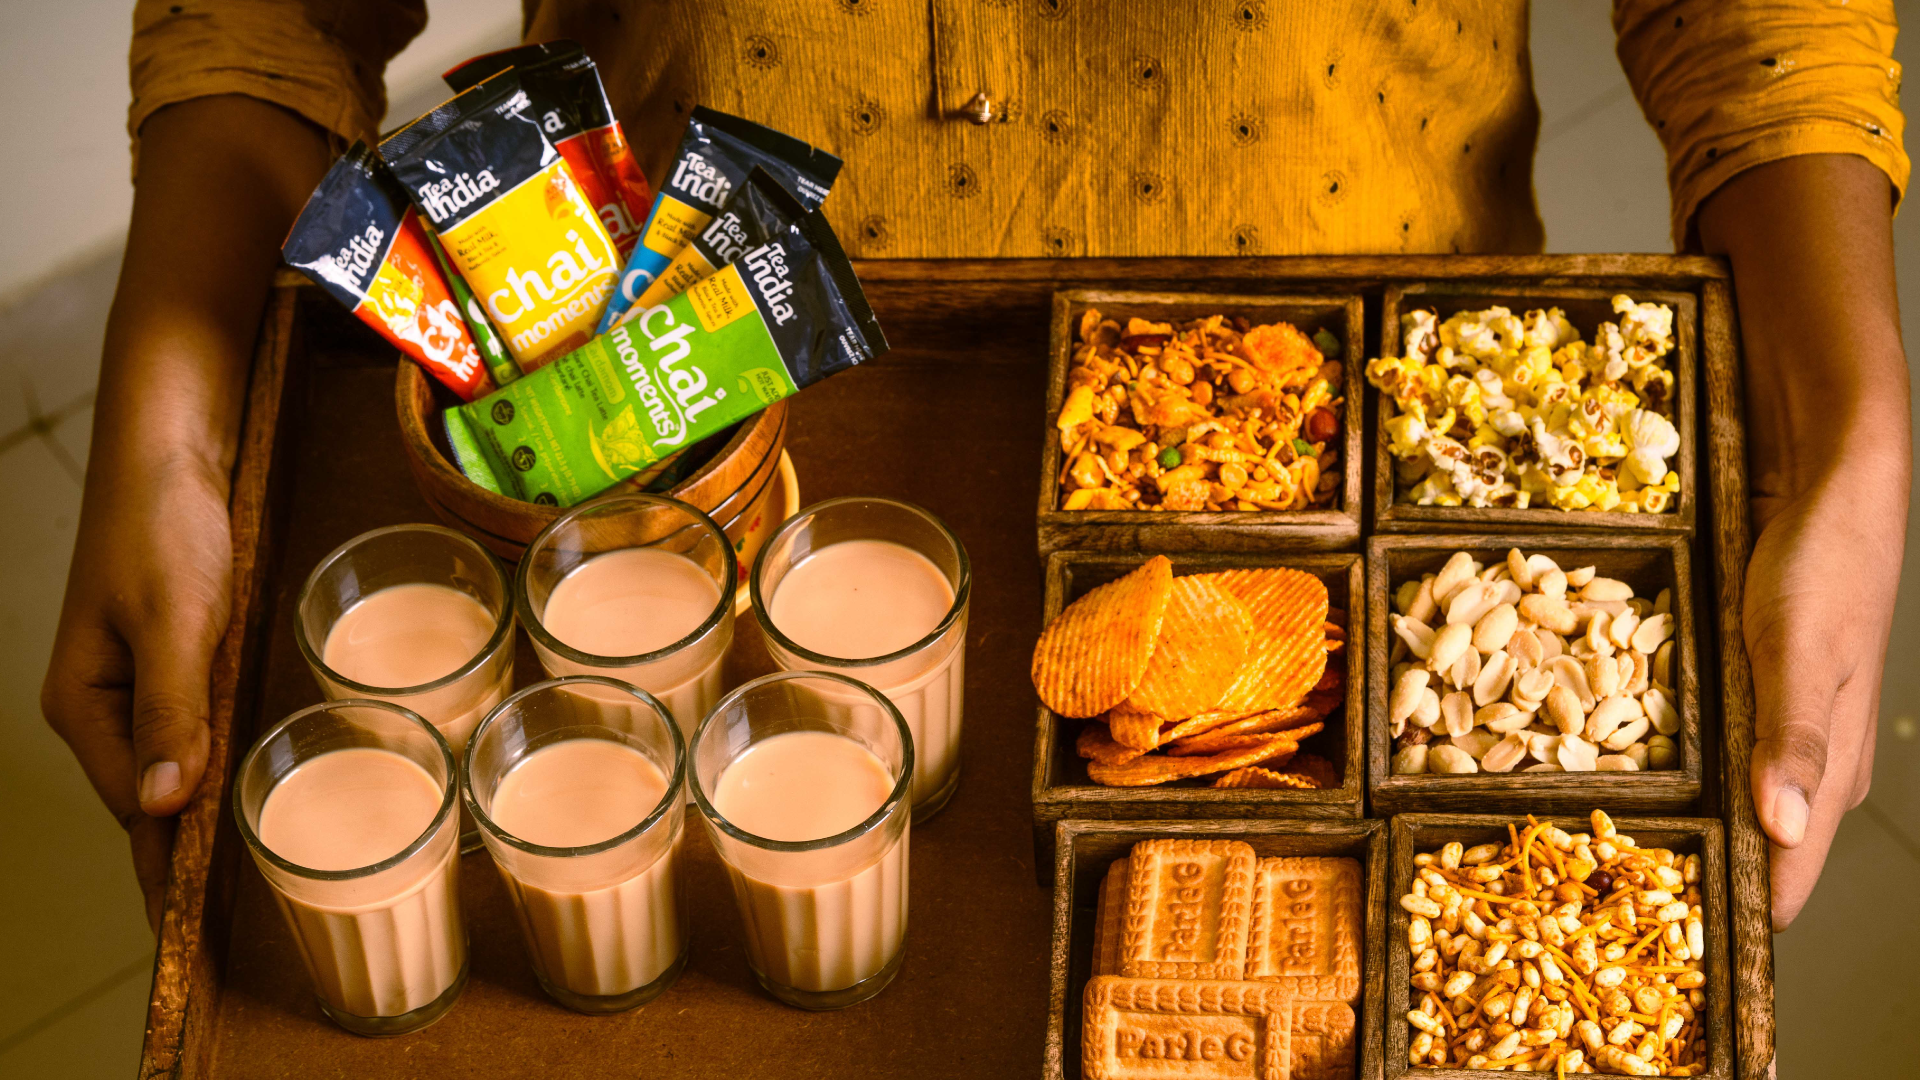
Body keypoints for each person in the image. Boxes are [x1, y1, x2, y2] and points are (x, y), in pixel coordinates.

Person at [46, 1, 1908, 934]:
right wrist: (168, 401)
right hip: (694, 413)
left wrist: (1858, 436)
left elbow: (1766, 37)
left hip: (1360, 418)